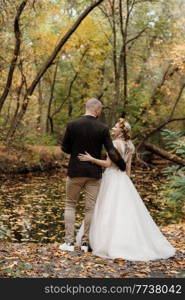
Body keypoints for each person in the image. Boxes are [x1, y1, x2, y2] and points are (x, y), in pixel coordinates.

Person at [77, 118, 175, 261]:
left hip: (111, 179)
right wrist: (127, 185)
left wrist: (91, 159)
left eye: (115, 127)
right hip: (123, 180)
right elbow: (128, 168)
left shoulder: (115, 144)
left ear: (121, 131)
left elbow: (107, 164)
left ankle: (103, 241)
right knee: (125, 211)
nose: (113, 128)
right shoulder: (130, 145)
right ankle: (129, 241)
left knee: (106, 209)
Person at [59, 98, 126, 253]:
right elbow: (111, 151)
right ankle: (84, 244)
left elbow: (64, 148)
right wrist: (122, 166)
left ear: (87, 107)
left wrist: (76, 152)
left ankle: (68, 243)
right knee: (90, 209)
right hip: (94, 173)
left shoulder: (72, 125)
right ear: (97, 109)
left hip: (75, 171)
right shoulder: (102, 128)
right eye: (100, 110)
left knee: (70, 205)